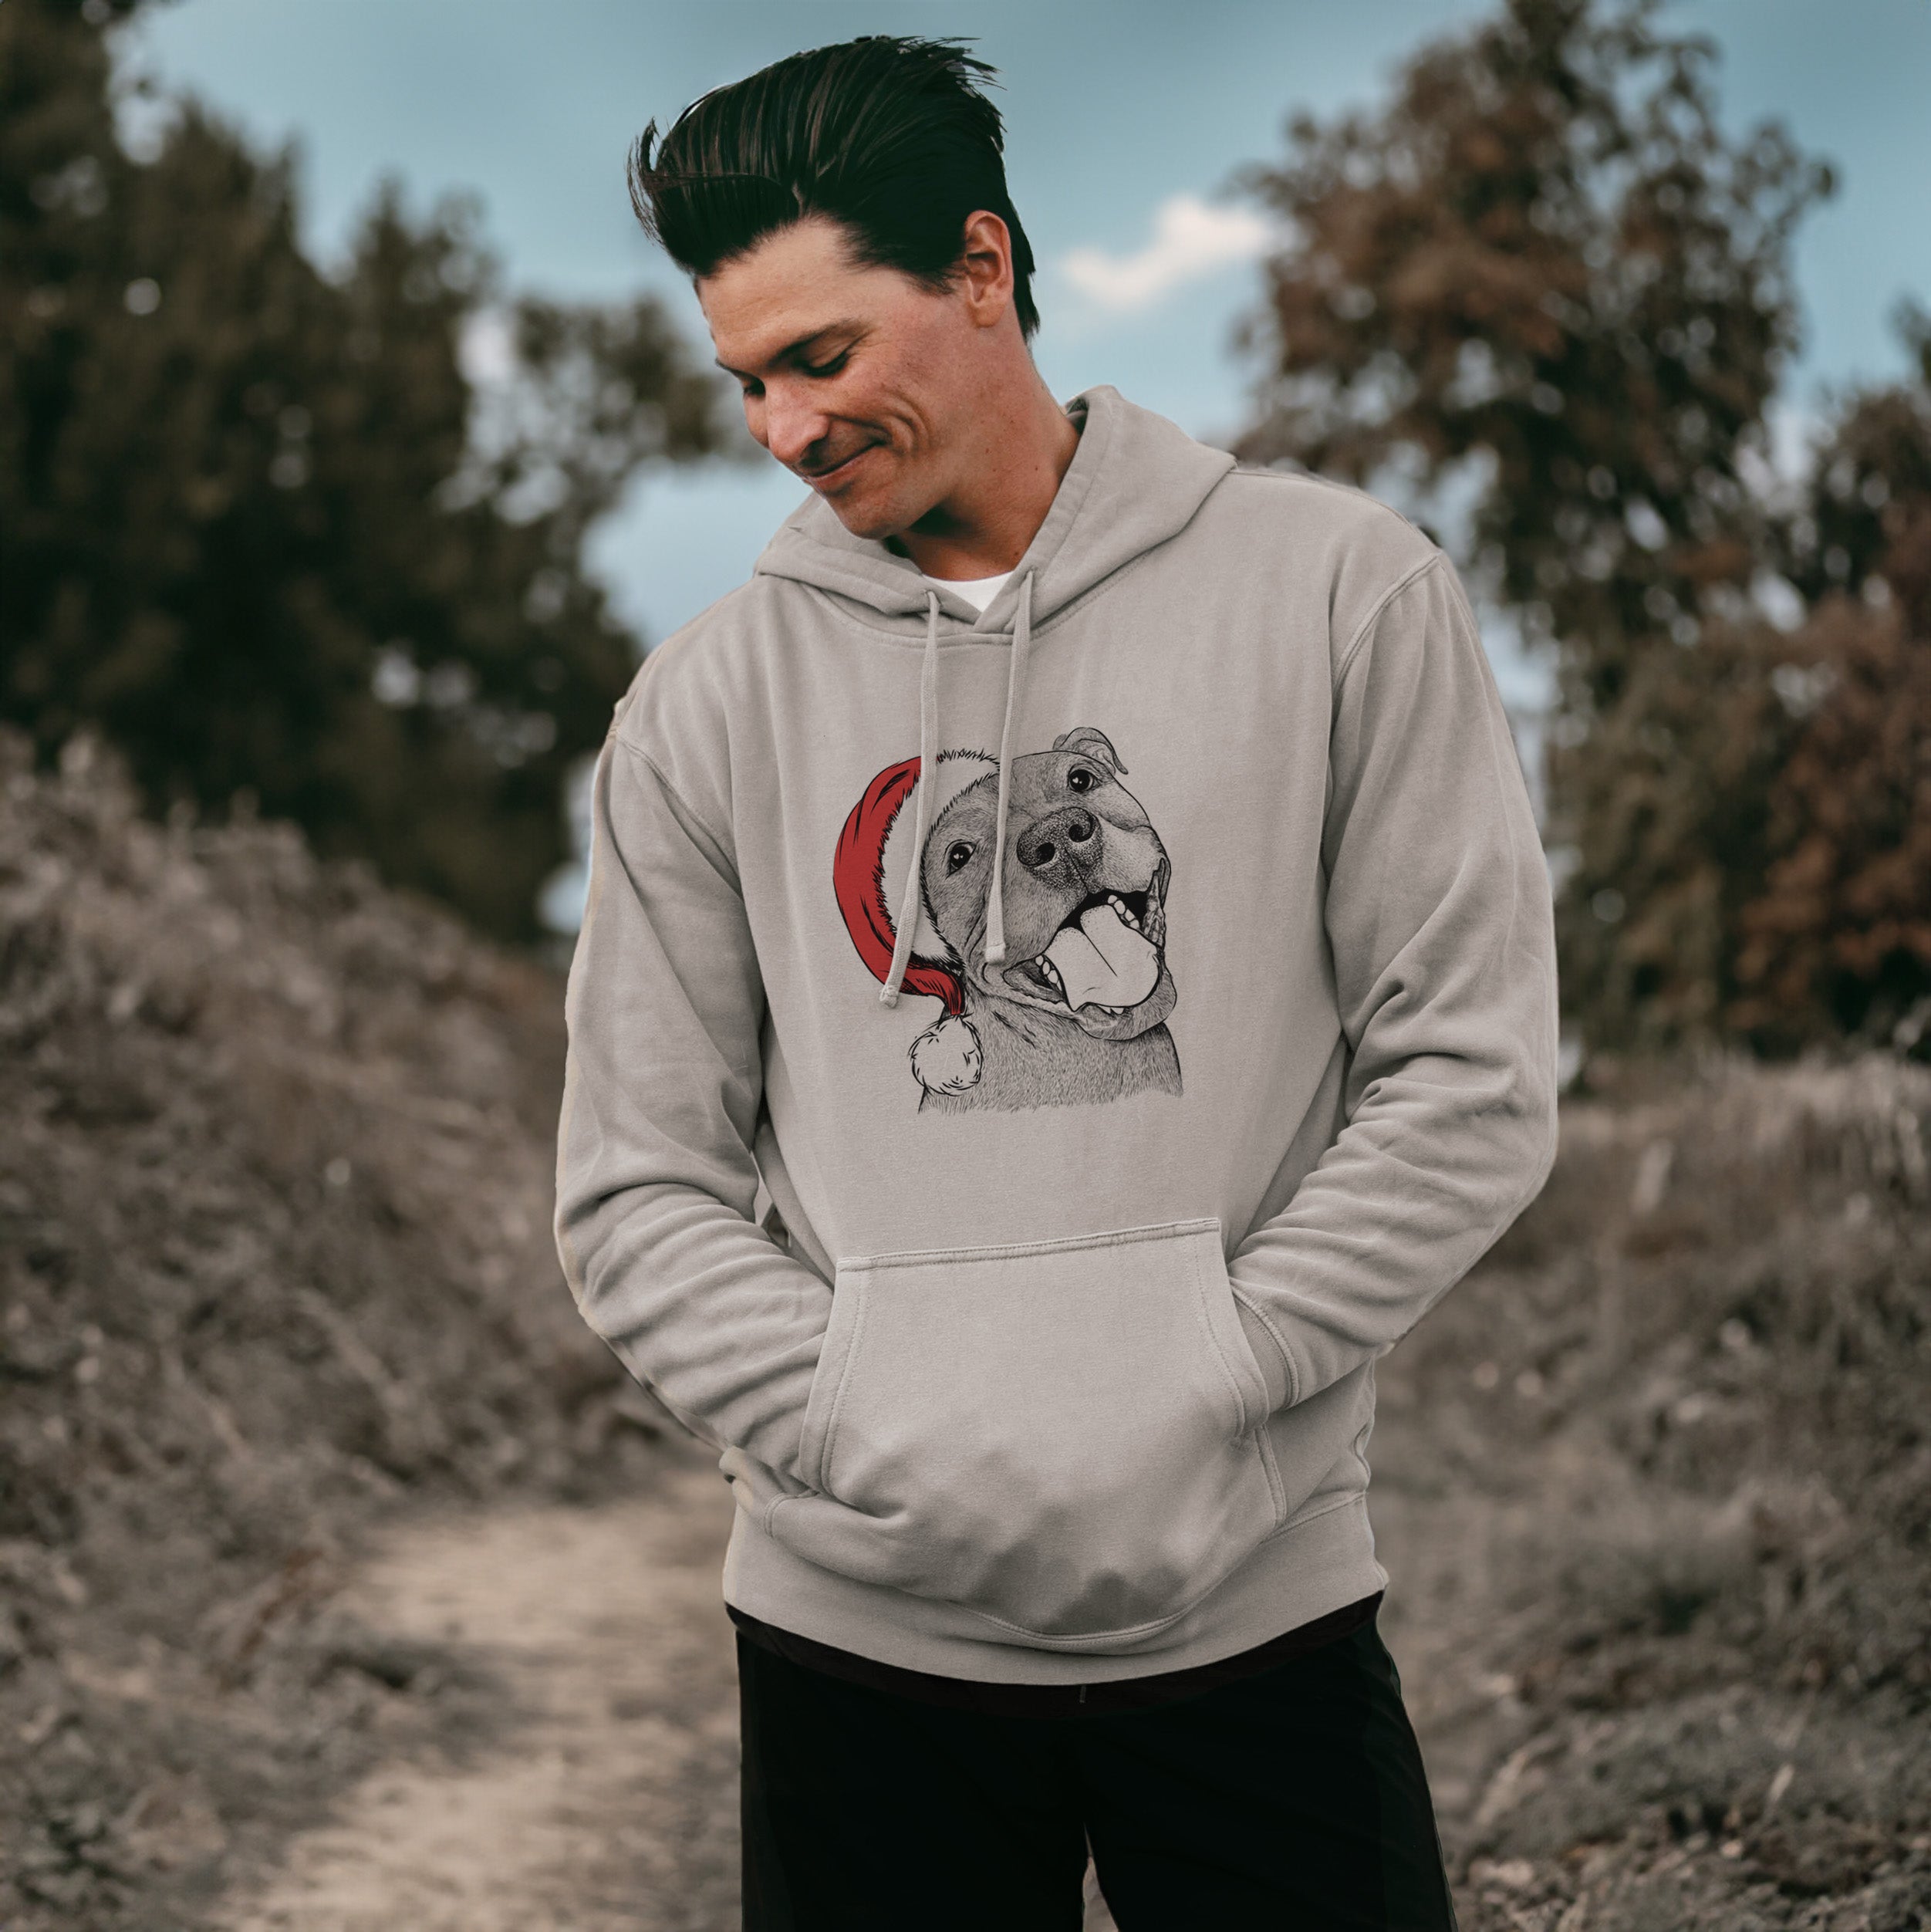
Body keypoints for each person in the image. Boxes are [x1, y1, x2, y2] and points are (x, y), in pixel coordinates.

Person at [553, 34, 1557, 1930]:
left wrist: (1224, 1361)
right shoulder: (701, 709)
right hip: (858, 1643)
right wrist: (869, 1423)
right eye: (747, 380)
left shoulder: (1339, 596)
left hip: (1258, 1615)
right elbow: (636, 1190)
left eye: (821, 355)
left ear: (982, 268)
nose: (783, 428)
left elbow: (1470, 1081)